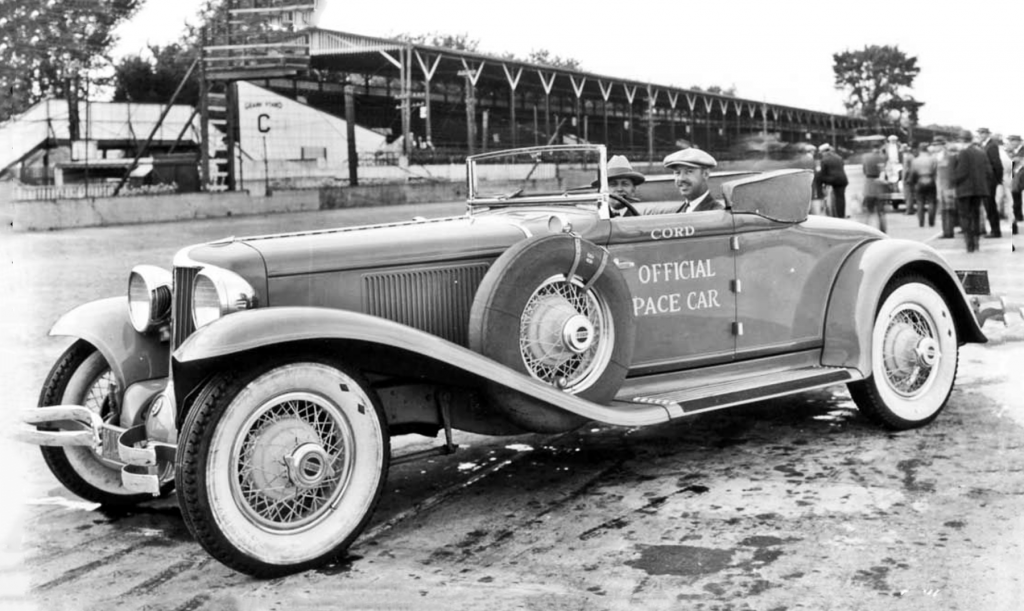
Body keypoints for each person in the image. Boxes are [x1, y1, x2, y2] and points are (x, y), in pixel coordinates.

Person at [953, 130, 993, 252]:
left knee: (965, 216)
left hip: (965, 190)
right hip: (979, 190)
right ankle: (976, 242)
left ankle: (969, 244)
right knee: (975, 216)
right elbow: (989, 172)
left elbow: (961, 172)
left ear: (962, 141)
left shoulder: (963, 153)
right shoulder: (981, 153)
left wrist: (953, 181)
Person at [662, 148, 724, 213]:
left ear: (705, 174)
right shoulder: (679, 211)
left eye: (689, 172)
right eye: (677, 173)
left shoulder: (717, 214)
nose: (681, 178)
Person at [976, 127, 1003, 237]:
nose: (981, 135)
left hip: (990, 180)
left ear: (987, 134)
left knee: (990, 205)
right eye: (980, 133)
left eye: (983, 133)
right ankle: (993, 229)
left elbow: (996, 163)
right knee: (988, 205)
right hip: (986, 179)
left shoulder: (991, 146)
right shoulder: (984, 145)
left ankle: (995, 231)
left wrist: (997, 179)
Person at [933, 136, 959, 238]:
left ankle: (949, 232)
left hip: (949, 187)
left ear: (942, 145)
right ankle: (946, 231)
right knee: (943, 211)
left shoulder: (950, 157)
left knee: (949, 211)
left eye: (937, 145)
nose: (935, 147)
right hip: (940, 188)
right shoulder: (935, 158)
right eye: (934, 145)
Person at [908, 142, 938, 227]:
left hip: (919, 181)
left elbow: (912, 173)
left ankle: (921, 222)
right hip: (930, 180)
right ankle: (931, 222)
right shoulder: (932, 159)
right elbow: (935, 171)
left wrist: (912, 183)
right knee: (932, 202)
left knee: (920, 202)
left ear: (919, 149)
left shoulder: (915, 160)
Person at [815, 143, 848, 218]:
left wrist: (823, 180)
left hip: (833, 180)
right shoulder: (838, 157)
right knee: (840, 198)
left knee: (818, 177)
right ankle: (841, 215)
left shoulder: (824, 160)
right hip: (843, 180)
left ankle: (820, 195)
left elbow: (823, 173)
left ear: (823, 152)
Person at [861, 144, 888, 233]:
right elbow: (884, 171)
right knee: (881, 211)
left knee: (868, 211)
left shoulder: (865, 157)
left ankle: (866, 229)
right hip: (879, 185)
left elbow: (864, 171)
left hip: (869, 184)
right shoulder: (883, 157)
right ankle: (883, 230)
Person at [1008, 134, 1023, 235]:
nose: (1011, 143)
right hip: (1016, 178)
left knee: (1016, 196)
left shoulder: (1022, 150)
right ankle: (1018, 216)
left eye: (1012, 141)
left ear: (1018, 141)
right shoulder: (1014, 151)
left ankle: (1018, 216)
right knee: (1015, 197)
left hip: (1020, 177)